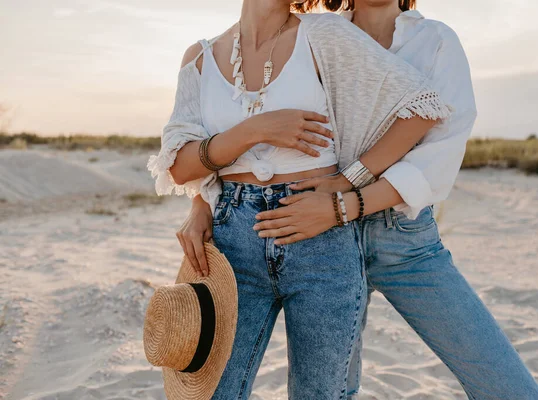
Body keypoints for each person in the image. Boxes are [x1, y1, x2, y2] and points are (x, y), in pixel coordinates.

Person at [148, 0, 450, 398]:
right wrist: (254, 130)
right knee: (214, 392)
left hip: (321, 241)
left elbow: (422, 109)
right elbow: (179, 167)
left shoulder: (324, 35)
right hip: (233, 241)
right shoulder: (200, 58)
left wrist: (348, 180)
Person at [251, 1, 538, 399]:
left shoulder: (436, 41)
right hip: (321, 243)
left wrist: (346, 201)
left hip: (403, 240)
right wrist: (202, 201)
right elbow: (244, 110)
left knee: (509, 389)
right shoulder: (313, 36)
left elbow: (438, 154)